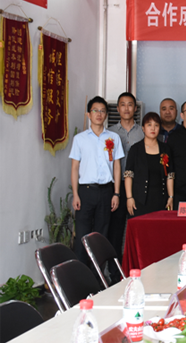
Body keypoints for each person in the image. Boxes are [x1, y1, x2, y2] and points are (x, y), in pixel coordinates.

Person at [70, 96, 124, 266]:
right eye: (95, 111)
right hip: (85, 191)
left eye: (102, 111)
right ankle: (81, 275)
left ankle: (98, 276)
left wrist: (116, 193)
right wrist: (75, 194)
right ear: (88, 114)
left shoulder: (114, 138)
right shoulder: (80, 139)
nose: (99, 114)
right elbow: (75, 168)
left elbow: (117, 167)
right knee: (82, 235)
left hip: (106, 191)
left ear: (106, 114)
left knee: (101, 236)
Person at [107, 91, 144, 280]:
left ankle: (135, 269)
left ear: (135, 108)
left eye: (130, 104)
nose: (126, 108)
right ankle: (114, 273)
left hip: (137, 186)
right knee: (115, 228)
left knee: (135, 227)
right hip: (116, 186)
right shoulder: (109, 133)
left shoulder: (143, 131)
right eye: (123, 104)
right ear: (118, 108)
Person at [124, 112, 175, 217]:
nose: (153, 128)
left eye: (156, 125)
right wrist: (129, 197)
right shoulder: (135, 149)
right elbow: (129, 174)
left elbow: (170, 175)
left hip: (161, 199)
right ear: (143, 128)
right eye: (149, 125)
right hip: (139, 200)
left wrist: (171, 196)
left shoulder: (165, 149)